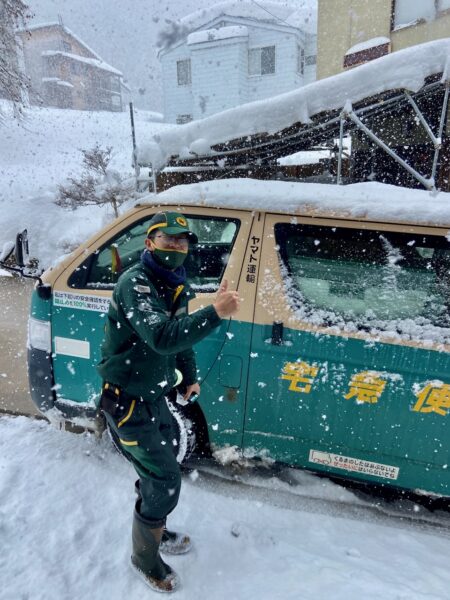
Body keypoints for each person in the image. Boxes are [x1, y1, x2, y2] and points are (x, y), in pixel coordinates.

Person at [97, 211, 240, 593]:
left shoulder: (174, 283)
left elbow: (180, 339)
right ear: (150, 243)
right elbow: (161, 336)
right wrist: (216, 312)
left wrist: (189, 377)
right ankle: (144, 558)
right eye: (168, 239)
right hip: (126, 403)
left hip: (155, 397)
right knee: (165, 477)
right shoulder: (137, 284)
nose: (177, 246)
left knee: (162, 466)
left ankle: (154, 528)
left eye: (182, 241)